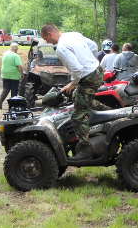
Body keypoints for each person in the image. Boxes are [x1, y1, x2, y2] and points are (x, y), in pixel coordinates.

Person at [40, 24, 102, 160]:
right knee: (78, 98)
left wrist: (73, 83)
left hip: (88, 77)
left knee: (78, 116)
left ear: (50, 34)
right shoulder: (74, 34)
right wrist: (90, 62)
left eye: (46, 38)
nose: (47, 42)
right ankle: (111, 113)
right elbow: (93, 46)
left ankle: (85, 150)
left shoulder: (61, 48)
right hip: (97, 71)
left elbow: (77, 70)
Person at [0, 42, 24, 109]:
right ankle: (12, 107)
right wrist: (22, 74)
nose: (17, 49)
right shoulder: (16, 56)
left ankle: (0, 101)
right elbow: (19, 66)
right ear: (16, 49)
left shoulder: (5, 54)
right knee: (14, 91)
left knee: (5, 89)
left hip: (5, 74)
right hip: (14, 76)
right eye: (17, 48)